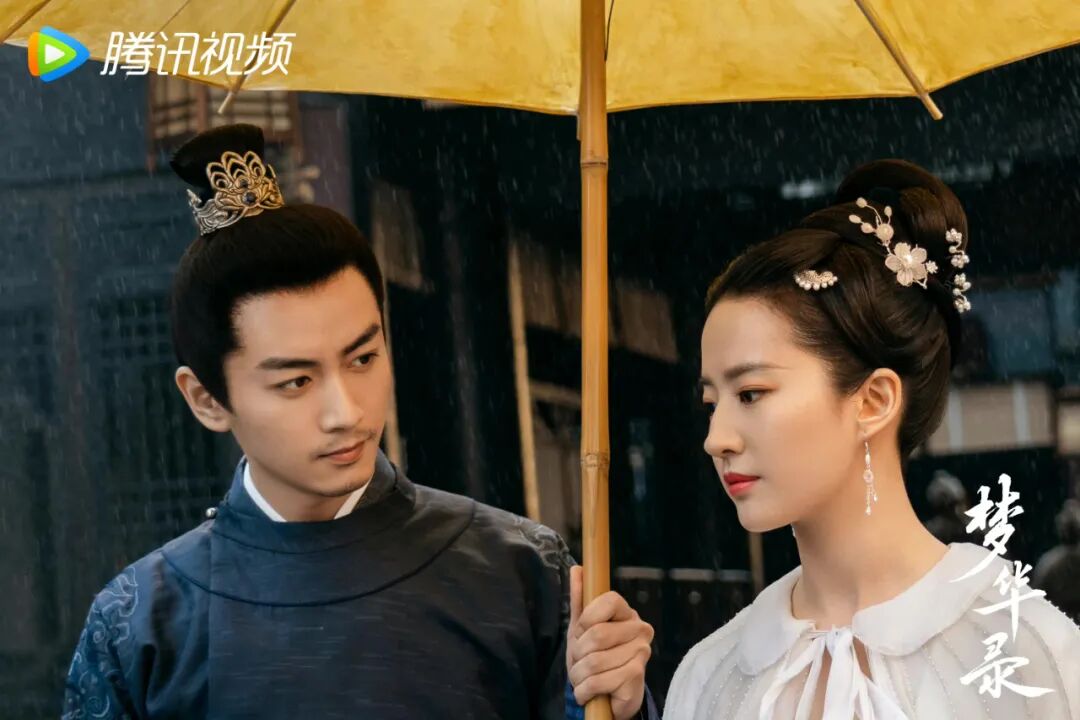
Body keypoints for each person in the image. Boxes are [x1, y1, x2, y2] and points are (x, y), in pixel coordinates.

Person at [62, 124, 655, 719]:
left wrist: (623, 705)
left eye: (363, 358)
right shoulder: (140, 623)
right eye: (296, 381)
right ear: (206, 399)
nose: (346, 412)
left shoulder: (520, 568)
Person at [664, 160, 1080, 719]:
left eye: (752, 393)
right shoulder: (708, 678)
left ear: (874, 400)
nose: (717, 439)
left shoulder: (1032, 656)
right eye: (711, 403)